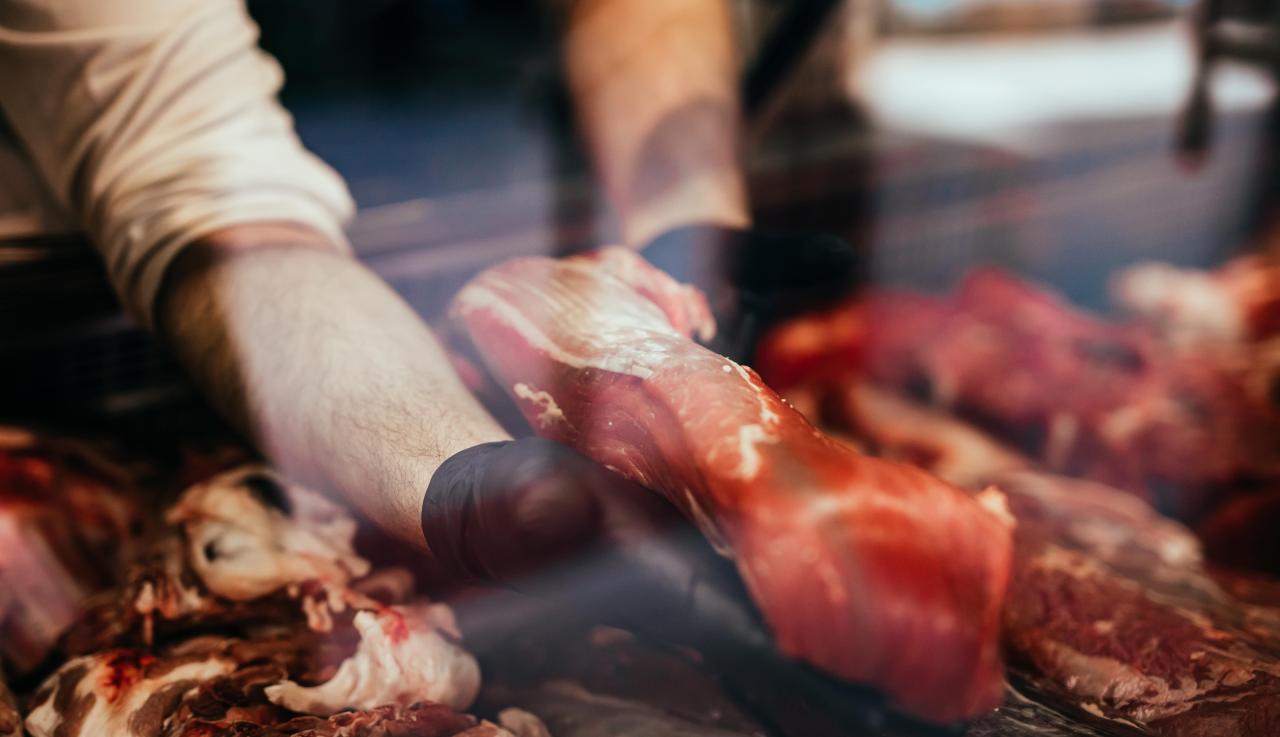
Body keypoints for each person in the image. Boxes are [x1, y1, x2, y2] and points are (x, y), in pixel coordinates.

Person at [0, 0, 855, 643]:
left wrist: (685, 220)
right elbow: (208, 192)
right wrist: (457, 479)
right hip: (146, 284)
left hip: (490, 172)